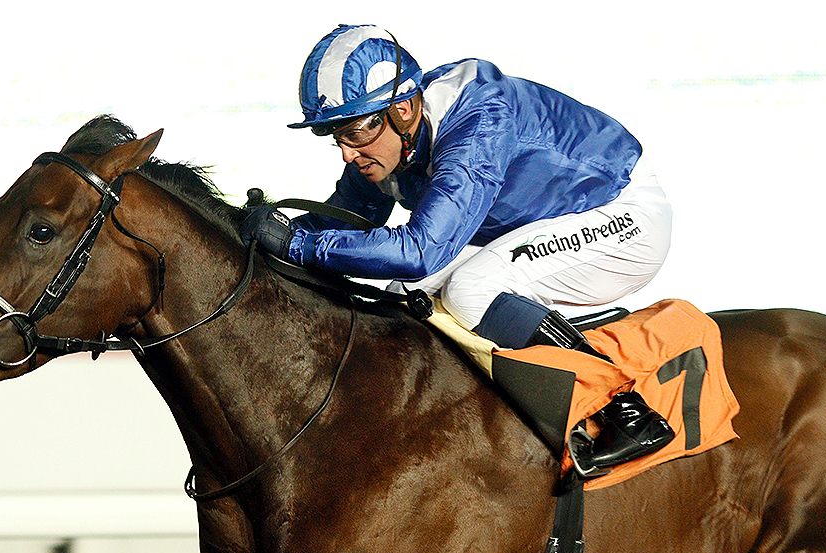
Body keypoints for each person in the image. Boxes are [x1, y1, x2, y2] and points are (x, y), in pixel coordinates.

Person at [242, 24, 674, 476]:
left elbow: (420, 250)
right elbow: (350, 216)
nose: (347, 155)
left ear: (404, 110)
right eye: (336, 137)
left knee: (471, 290)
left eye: (353, 134)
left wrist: (297, 244)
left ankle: (626, 412)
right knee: (403, 291)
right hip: (545, 222)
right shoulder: (393, 136)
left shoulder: (478, 126)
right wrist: (262, 231)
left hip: (624, 215)